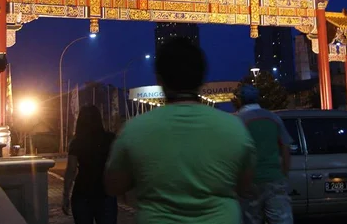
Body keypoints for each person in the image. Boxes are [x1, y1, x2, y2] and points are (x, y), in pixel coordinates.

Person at [104, 37, 256, 223]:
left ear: (159, 79)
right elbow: (246, 186)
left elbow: (114, 186)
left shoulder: (134, 130)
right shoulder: (234, 128)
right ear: (202, 79)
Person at [237, 84, 293, 224]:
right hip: (274, 179)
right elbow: (286, 147)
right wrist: (284, 173)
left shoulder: (238, 121)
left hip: (250, 182)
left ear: (240, 100)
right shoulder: (274, 118)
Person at [63, 105, 117, 224]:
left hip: (82, 192)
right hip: (105, 192)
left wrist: (66, 195)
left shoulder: (77, 142)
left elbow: (71, 170)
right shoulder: (110, 139)